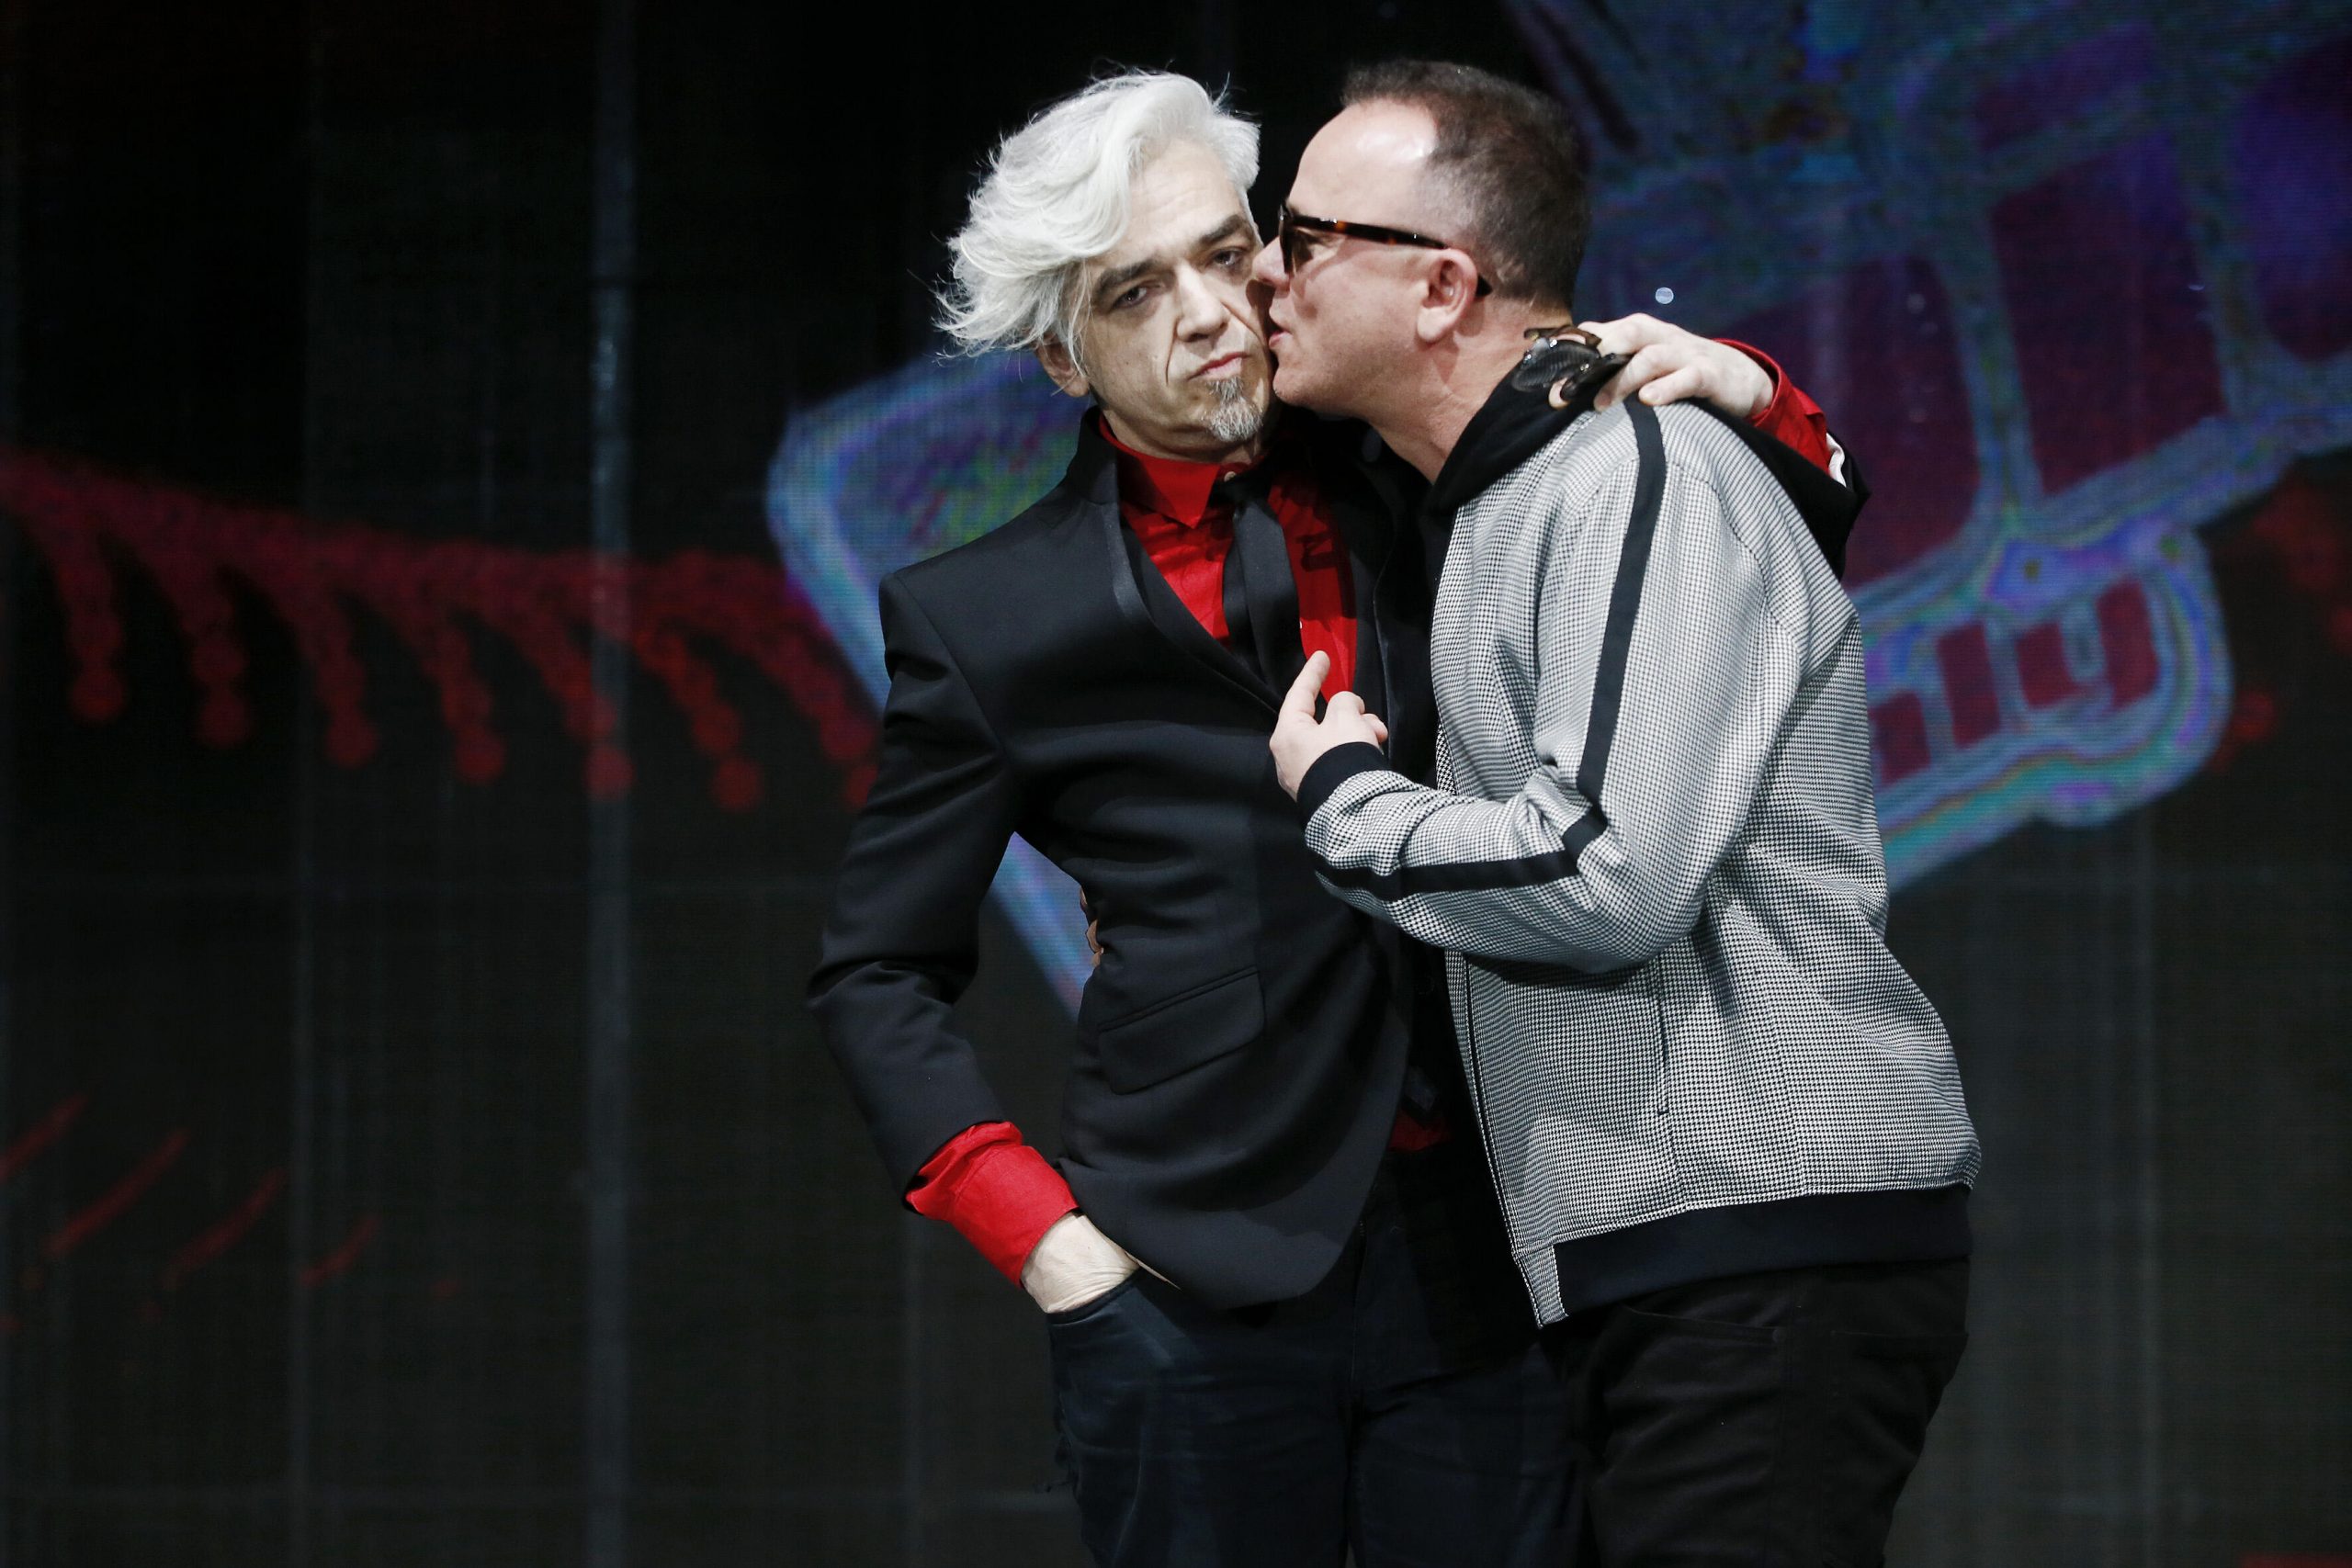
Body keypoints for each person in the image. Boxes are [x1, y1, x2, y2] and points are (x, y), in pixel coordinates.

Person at [808, 69, 1849, 1567]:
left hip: (1495, 1249)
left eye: (1227, 253)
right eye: (1135, 291)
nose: (1211, 312)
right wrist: (1050, 1250)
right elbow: (875, 970)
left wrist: (1747, 387)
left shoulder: (1434, 469)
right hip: (1185, 1281)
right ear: (1058, 355)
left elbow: (1739, 553)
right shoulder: (989, 619)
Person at [1260, 60, 1982, 1565]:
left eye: (1310, 237)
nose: (1271, 271)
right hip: (1675, 1253)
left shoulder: (1626, 470)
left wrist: (1346, 804)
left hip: (1755, 1237)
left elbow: (1604, 874)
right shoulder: (1516, 490)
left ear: (1444, 284)